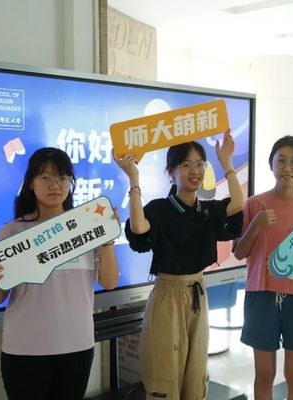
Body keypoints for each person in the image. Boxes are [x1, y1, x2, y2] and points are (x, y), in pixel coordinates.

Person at [0, 147, 120, 400]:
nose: (55, 185)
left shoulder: (86, 226)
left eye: (63, 177)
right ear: (31, 183)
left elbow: (109, 282)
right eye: (45, 177)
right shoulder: (12, 232)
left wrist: (107, 238)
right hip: (25, 349)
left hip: (77, 346)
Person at [114, 131, 244, 400]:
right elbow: (139, 228)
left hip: (198, 291)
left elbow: (237, 204)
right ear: (171, 172)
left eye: (200, 164)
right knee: (165, 373)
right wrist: (134, 179)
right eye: (186, 164)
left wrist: (227, 162)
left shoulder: (206, 210)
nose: (194, 171)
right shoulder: (160, 209)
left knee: (196, 373)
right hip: (167, 295)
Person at [233, 135, 293, 400]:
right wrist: (256, 225)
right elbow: (239, 252)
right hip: (261, 295)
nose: (288, 168)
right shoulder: (254, 204)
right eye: (281, 161)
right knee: (264, 373)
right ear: (271, 165)